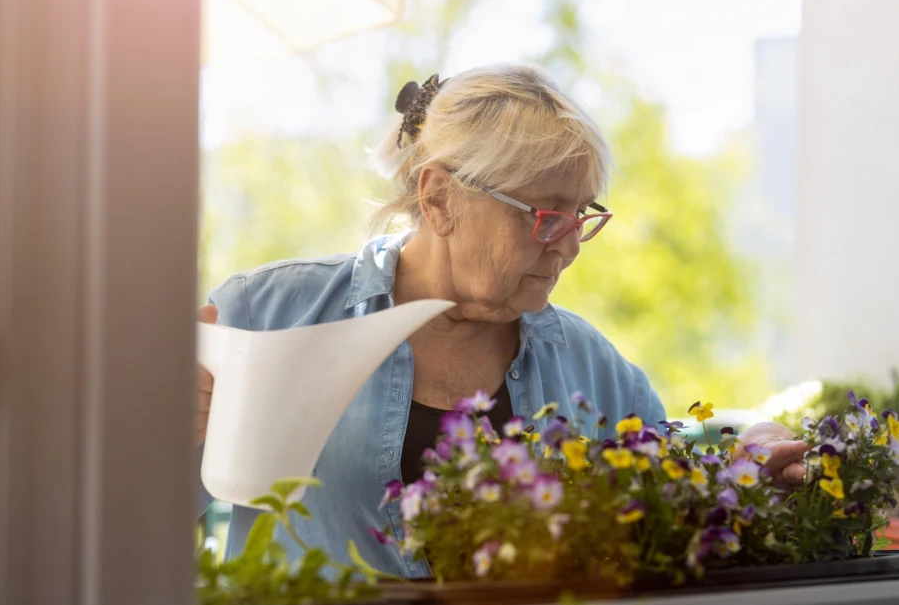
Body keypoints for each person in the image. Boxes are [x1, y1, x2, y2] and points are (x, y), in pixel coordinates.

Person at [197, 64, 806, 577]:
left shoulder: (592, 368)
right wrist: (160, 437)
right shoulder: (267, 315)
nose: (570, 246)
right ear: (439, 198)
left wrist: (742, 473)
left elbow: (672, 521)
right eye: (546, 216)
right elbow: (146, 527)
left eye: (581, 216)